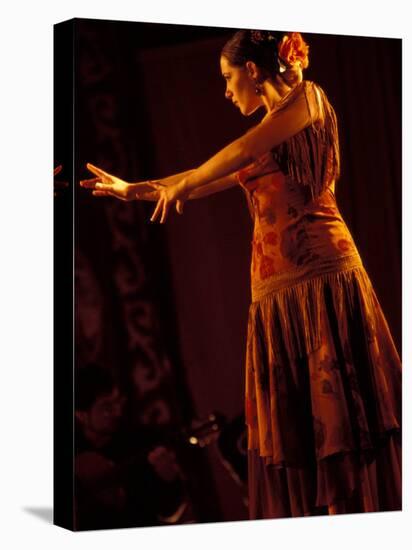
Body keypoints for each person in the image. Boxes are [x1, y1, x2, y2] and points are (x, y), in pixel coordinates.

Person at [80, 30, 402, 519]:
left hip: (320, 282)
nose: (227, 90)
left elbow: (239, 149)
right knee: (308, 439)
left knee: (342, 427)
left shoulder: (307, 100)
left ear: (253, 70)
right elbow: (201, 178)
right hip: (278, 296)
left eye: (229, 77)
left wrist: (185, 181)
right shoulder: (269, 131)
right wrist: (132, 190)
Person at [74, 363, 190, 530]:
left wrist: (169, 479)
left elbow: (170, 512)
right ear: (81, 415)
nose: (117, 412)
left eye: (118, 402)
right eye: (106, 407)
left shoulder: (141, 442)